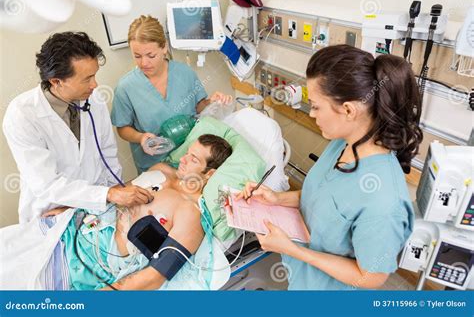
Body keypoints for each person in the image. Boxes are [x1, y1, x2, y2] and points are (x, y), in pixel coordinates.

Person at [239, 44, 423, 290]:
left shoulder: (384, 202)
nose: (312, 114)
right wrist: (277, 198)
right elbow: (326, 198)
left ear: (348, 110)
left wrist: (294, 250)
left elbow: (371, 277)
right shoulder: (342, 144)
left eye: (315, 106)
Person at [44, 134, 232, 290]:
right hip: (76, 226)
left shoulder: (191, 213)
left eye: (194, 159)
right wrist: (71, 207)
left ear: (209, 174)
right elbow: (119, 192)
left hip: (90, 260)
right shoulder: (161, 169)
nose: (183, 159)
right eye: (187, 153)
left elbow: (157, 274)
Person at [2, 32, 153, 223]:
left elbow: (108, 154)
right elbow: (46, 184)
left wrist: (116, 199)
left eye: (95, 75)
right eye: (87, 78)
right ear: (56, 81)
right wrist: (107, 195)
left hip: (98, 209)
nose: (95, 84)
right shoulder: (23, 114)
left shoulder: (94, 99)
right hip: (52, 212)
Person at [111, 15, 233, 174]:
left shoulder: (185, 73)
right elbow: (123, 127)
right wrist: (139, 138)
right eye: (137, 56)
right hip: (153, 165)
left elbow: (199, 107)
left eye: (151, 55)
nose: (144, 63)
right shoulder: (126, 87)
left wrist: (213, 102)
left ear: (164, 47)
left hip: (189, 161)